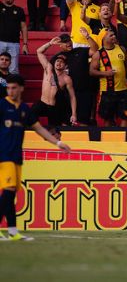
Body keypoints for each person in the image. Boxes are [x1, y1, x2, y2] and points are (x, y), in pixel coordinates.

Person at [0, 74, 72, 241]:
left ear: (21, 88)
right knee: (9, 191)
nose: (10, 91)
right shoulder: (2, 106)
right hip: (4, 155)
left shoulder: (25, 110)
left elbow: (40, 129)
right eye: (8, 88)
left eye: (13, 88)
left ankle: (12, 232)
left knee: (11, 194)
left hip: (16, 156)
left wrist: (58, 144)